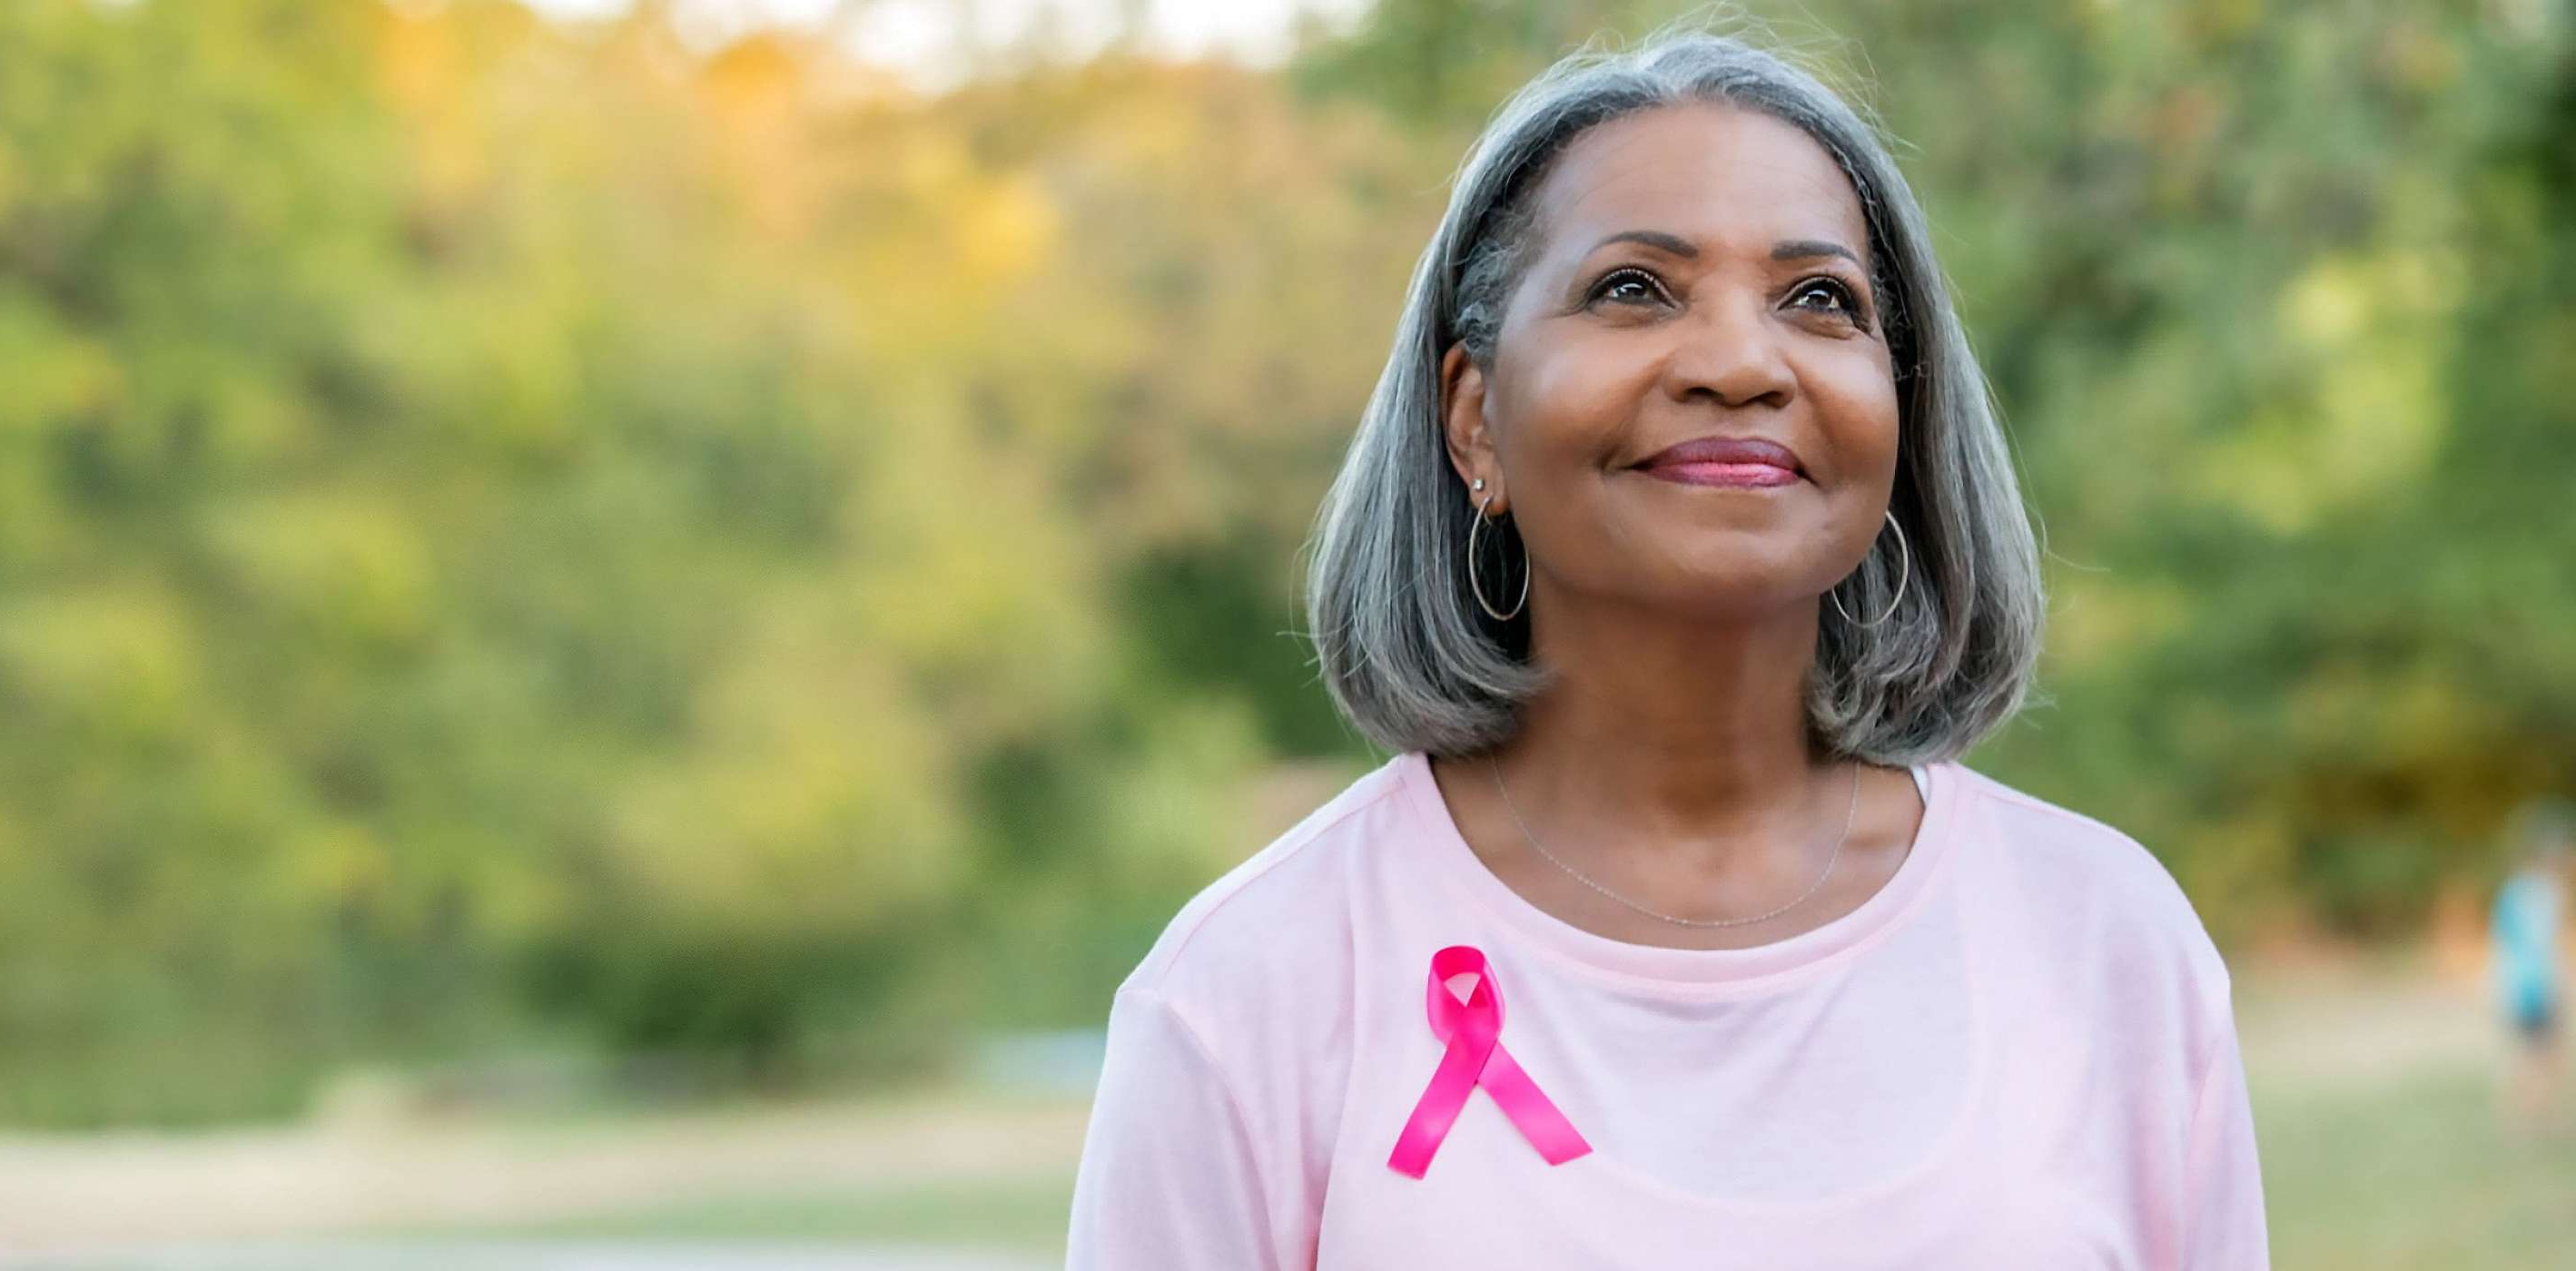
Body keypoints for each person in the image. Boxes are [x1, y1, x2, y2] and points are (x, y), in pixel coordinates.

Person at [1066, 17, 2268, 1269]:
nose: (1744, 362)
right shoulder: (1250, 990)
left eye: (1820, 300)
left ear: (1900, 418)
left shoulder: (2106, 944)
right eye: (1633, 287)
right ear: (1475, 422)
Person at [2493, 799, 2571, 1138]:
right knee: (2538, 1058)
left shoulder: (2516, 891)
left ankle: (2536, 1121)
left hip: (2518, 986)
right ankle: (2526, 1123)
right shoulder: (2542, 894)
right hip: (2534, 988)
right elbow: (2542, 945)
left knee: (2538, 1057)